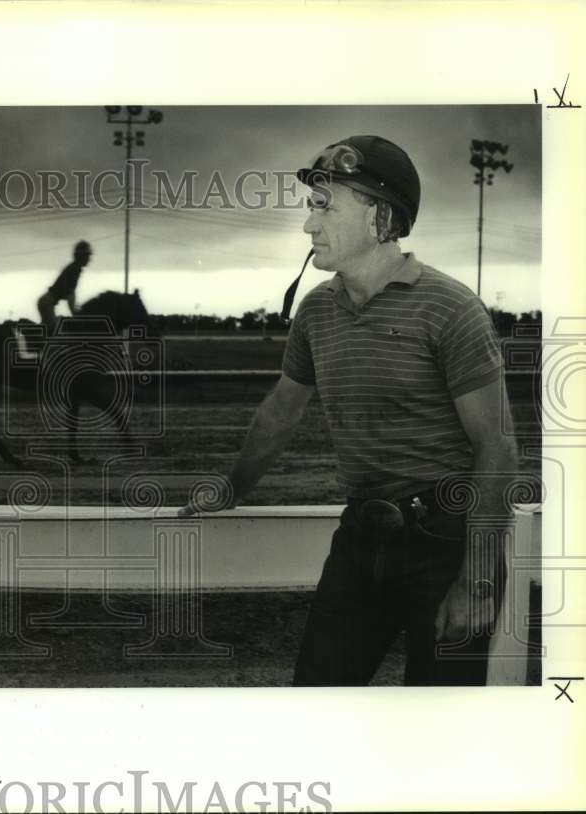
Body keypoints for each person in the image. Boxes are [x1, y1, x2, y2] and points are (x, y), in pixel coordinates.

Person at [182, 135, 518, 686]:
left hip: (445, 544)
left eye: (324, 208)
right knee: (317, 702)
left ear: (380, 219)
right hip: (360, 538)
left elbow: (497, 445)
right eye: (311, 207)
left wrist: (477, 580)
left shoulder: (451, 309)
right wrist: (232, 487)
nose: (308, 226)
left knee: (438, 733)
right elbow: (280, 412)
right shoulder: (315, 312)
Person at [37, 240, 92, 333]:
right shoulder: (75, 269)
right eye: (87, 255)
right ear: (81, 256)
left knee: (50, 331)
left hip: (46, 302)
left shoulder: (74, 268)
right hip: (47, 303)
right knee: (56, 333)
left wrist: (75, 312)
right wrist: (76, 316)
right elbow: (70, 296)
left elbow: (71, 295)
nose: (89, 258)